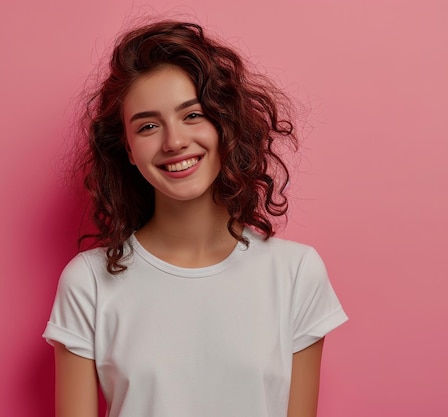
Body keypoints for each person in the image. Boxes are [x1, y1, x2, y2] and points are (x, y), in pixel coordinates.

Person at [43, 20, 348, 417]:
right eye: (149, 126)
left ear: (225, 123)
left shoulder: (295, 273)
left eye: (193, 115)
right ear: (129, 151)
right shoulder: (88, 282)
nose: (174, 142)